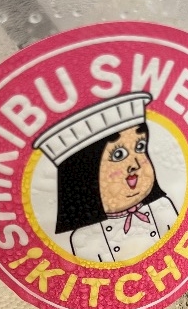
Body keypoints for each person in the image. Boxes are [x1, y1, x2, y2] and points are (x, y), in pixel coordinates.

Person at [32, 92, 179, 263]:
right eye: (118, 154)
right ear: (85, 176)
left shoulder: (163, 207)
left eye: (140, 147)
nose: (135, 164)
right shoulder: (84, 238)